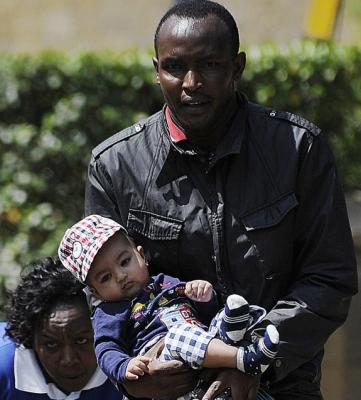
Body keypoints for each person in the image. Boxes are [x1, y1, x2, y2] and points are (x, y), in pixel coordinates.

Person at [84, 0, 358, 399]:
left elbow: (329, 278)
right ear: (157, 71)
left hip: (281, 386)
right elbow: (97, 294)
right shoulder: (114, 166)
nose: (191, 82)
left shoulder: (298, 149)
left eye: (210, 65)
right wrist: (134, 376)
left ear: (237, 66)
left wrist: (249, 359)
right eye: (175, 67)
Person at [58, 214, 279, 399]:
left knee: (228, 312)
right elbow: (106, 349)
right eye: (106, 277)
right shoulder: (109, 312)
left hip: (202, 346)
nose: (120, 276)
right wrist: (125, 367)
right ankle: (244, 357)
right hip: (164, 357)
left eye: (125, 262)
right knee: (177, 336)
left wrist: (204, 297)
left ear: (141, 255)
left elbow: (203, 314)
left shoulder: (166, 282)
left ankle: (235, 336)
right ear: (95, 292)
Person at [0, 257, 121, 400]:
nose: (68, 360)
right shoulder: (4, 366)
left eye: (81, 340)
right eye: (51, 344)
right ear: (30, 339)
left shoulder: (131, 358)